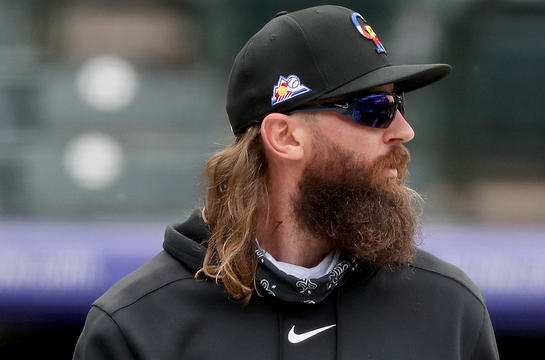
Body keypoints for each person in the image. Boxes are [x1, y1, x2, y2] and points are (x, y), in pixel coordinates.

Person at [74, 5, 499, 359]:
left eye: (399, 103)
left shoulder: (450, 311)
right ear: (285, 136)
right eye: (375, 109)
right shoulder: (137, 326)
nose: (403, 130)